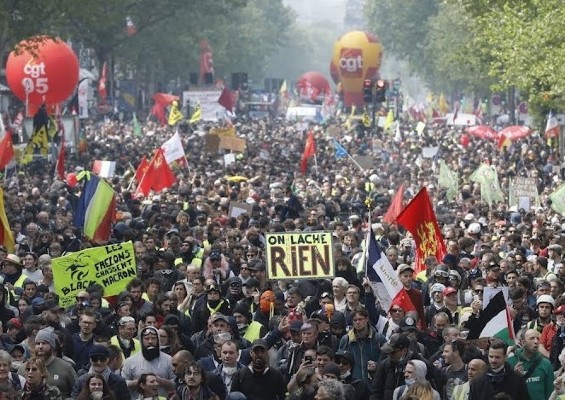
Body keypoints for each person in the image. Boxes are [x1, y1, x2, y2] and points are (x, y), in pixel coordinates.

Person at [18, 327, 78, 398]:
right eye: (38, 343)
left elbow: (77, 391)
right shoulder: (25, 367)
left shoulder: (66, 367)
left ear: (52, 346)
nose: (40, 346)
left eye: (44, 343)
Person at [121, 326, 176, 399]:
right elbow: (122, 383)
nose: (150, 341)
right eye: (147, 339)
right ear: (141, 340)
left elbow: (176, 383)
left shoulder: (168, 360)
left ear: (158, 340)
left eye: (153, 338)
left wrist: (160, 380)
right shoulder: (130, 361)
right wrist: (140, 382)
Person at [508, 328, 553, 400]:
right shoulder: (510, 362)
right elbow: (505, 391)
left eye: (538, 338)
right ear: (523, 342)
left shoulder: (546, 364)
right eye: (532, 338)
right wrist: (514, 376)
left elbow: (550, 393)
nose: (536, 341)